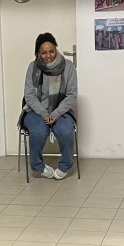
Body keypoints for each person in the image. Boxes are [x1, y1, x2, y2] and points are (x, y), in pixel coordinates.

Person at [23, 32, 78, 179]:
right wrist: (44, 114)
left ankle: (65, 165)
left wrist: (55, 114)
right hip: (36, 110)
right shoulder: (32, 67)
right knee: (38, 132)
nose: (48, 55)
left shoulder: (68, 66)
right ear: (37, 53)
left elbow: (71, 95)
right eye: (44, 52)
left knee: (66, 131)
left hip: (61, 110)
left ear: (56, 49)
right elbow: (29, 95)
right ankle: (38, 166)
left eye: (51, 51)